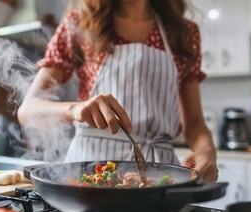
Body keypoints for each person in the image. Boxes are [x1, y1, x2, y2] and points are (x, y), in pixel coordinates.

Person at [18, 0, 219, 182]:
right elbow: (28, 110)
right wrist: (76, 110)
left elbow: (194, 124)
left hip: (159, 175)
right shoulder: (80, 24)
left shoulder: (183, 33)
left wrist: (206, 151)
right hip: (90, 172)